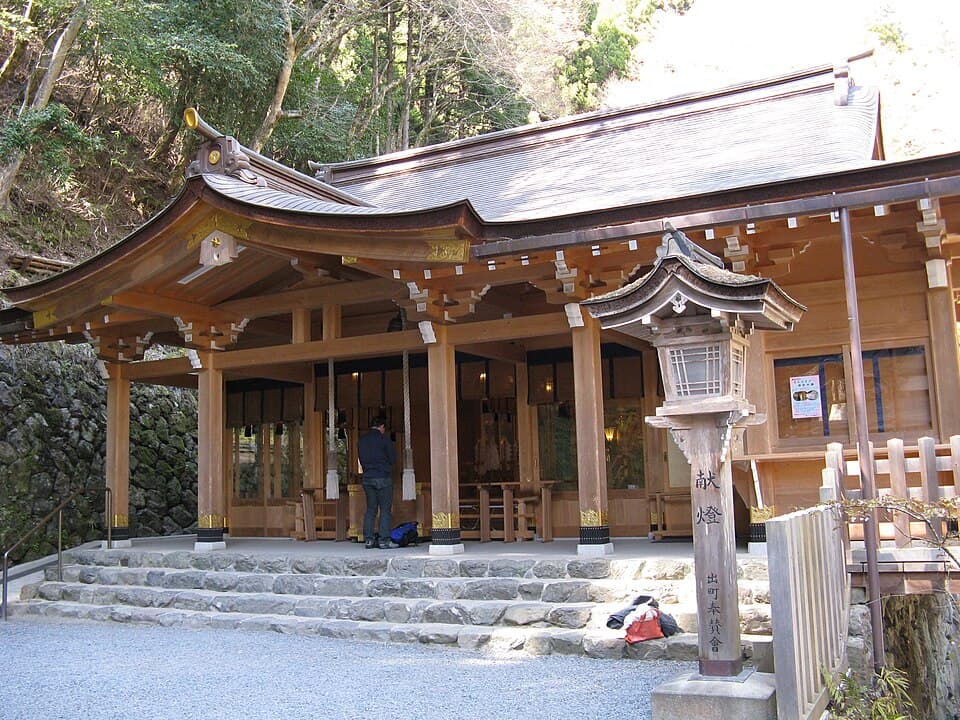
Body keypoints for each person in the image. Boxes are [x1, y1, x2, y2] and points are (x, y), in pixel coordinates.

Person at [357, 416, 397, 549]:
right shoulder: (384, 439)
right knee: (385, 510)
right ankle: (383, 540)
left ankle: (368, 539)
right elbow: (392, 458)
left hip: (367, 477)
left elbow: (361, 459)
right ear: (382, 427)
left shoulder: (362, 441)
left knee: (371, 509)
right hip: (383, 477)